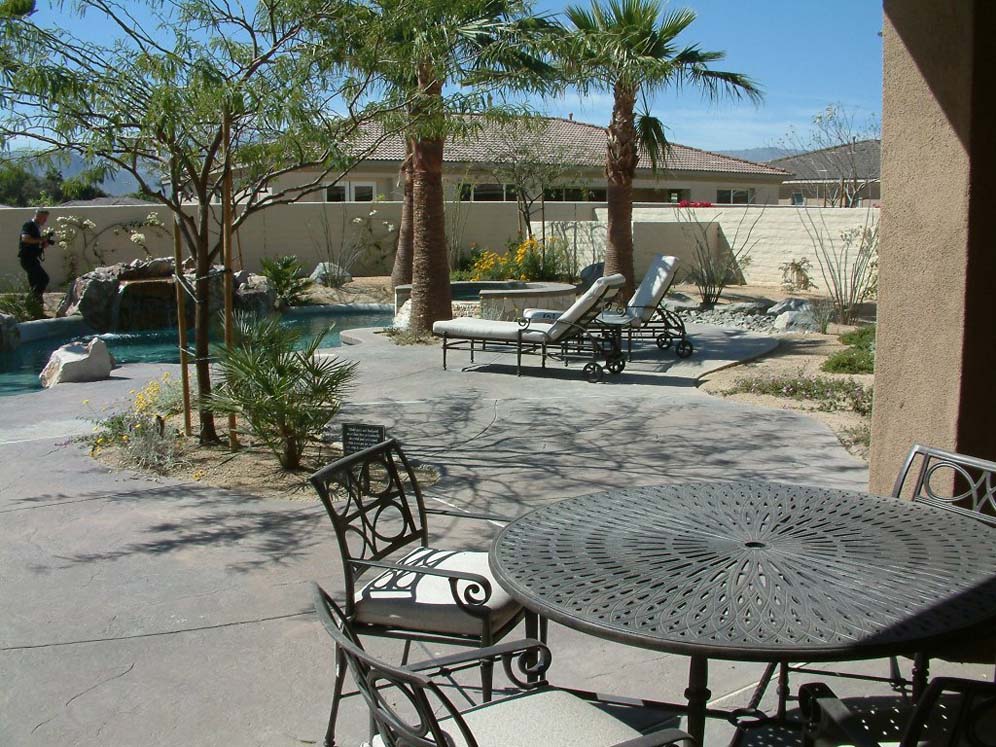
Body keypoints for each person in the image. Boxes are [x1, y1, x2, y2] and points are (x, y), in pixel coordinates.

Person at [18, 208, 53, 304]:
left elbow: (33, 242)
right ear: (38, 216)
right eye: (44, 219)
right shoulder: (29, 225)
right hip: (27, 258)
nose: (45, 221)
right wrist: (41, 240)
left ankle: (34, 304)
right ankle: (34, 300)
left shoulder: (35, 227)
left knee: (35, 282)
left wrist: (43, 244)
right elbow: (25, 239)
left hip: (32, 258)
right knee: (43, 278)